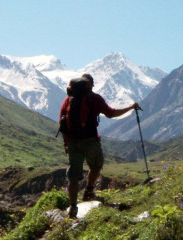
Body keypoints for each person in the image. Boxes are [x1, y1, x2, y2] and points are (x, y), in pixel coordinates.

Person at [59, 73, 138, 218]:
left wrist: (66, 143)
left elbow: (62, 124)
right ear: (90, 85)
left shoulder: (67, 101)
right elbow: (111, 113)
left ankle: (72, 207)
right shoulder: (94, 98)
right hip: (90, 141)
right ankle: (89, 191)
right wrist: (131, 108)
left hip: (72, 143)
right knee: (96, 165)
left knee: (73, 177)